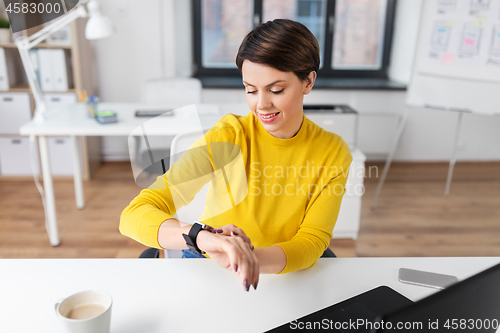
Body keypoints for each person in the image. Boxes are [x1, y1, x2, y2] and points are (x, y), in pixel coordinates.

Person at [120, 19, 353, 292]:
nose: (261, 104)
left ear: (308, 82)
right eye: (250, 90)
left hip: (283, 268)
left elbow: (313, 240)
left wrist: (248, 258)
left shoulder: (332, 152)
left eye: (276, 90)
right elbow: (134, 215)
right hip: (209, 260)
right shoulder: (229, 135)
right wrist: (204, 238)